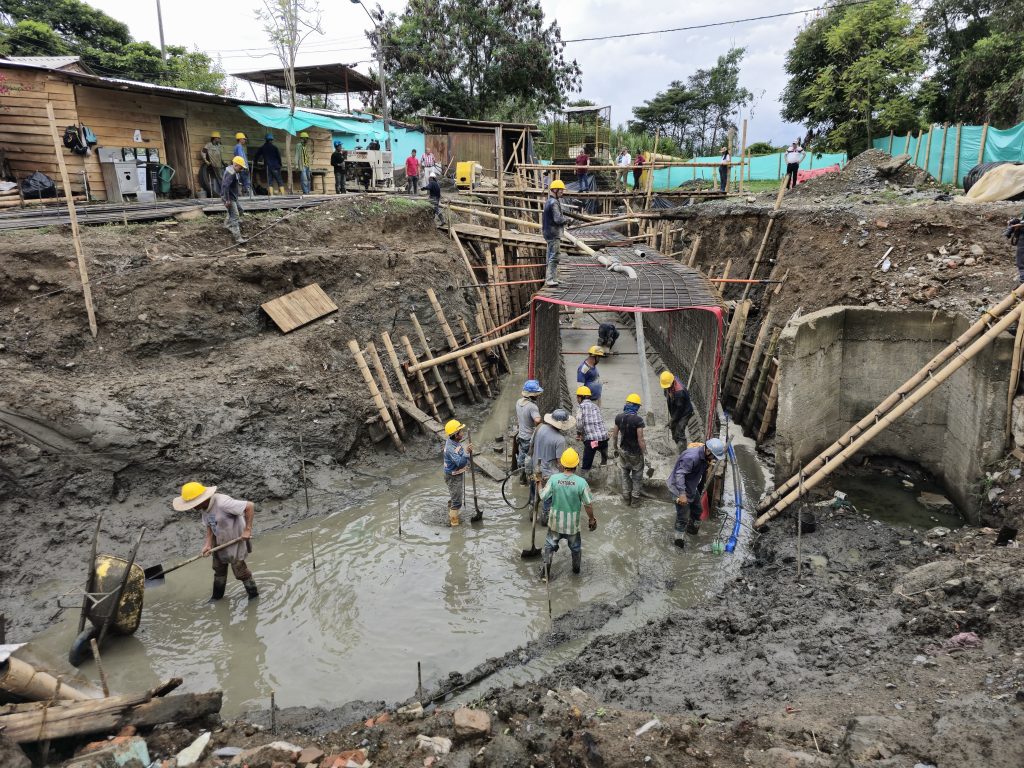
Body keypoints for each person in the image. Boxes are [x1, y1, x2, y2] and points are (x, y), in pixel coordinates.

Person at [172, 481, 257, 600]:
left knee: (240, 572)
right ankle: (217, 597)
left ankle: (253, 595)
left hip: (235, 539)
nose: (192, 507)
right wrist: (208, 544)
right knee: (218, 569)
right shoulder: (203, 507)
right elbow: (209, 524)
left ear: (202, 499)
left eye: (192, 503)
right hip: (219, 540)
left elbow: (249, 506)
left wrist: (247, 530)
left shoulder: (223, 503)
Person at [538, 447, 596, 581]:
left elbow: (543, 496)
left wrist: (538, 483)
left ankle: (544, 575)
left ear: (562, 464)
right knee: (575, 549)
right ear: (576, 464)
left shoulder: (554, 479)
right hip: (572, 526)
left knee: (549, 547)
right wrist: (592, 519)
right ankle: (576, 572)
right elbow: (588, 504)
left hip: (555, 524)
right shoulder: (581, 483)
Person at [667, 438, 726, 548]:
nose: (714, 459)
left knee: (698, 510)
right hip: (679, 489)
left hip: (691, 487)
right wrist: (682, 494)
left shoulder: (704, 456)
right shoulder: (692, 457)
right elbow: (680, 475)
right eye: (714, 456)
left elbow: (700, 473)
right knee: (682, 518)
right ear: (708, 451)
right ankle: (678, 543)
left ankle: (692, 532)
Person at [533, 408, 576, 524]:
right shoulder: (560, 440)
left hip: (536, 467)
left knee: (535, 494)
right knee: (548, 498)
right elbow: (560, 462)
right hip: (548, 473)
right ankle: (545, 519)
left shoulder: (540, 427)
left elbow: (532, 445)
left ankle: (532, 512)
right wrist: (565, 476)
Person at [610, 393, 646, 506]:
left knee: (625, 475)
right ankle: (635, 502)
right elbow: (641, 439)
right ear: (636, 406)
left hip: (623, 452)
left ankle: (626, 499)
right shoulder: (638, 420)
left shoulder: (619, 417)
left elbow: (615, 435)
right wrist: (646, 454)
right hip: (635, 454)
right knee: (637, 477)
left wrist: (615, 448)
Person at [443, 418, 474, 526]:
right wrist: (466, 452)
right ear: (456, 435)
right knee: (457, 502)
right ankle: (454, 524)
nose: (463, 433)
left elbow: (462, 457)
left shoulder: (455, 442)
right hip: (453, 476)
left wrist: (466, 455)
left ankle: (451, 510)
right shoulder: (450, 448)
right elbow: (460, 463)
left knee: (455, 496)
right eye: (461, 431)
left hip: (456, 474)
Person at [575, 385, 609, 478]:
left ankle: (584, 481)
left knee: (586, 463)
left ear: (580, 397)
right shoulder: (595, 406)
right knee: (604, 460)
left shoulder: (581, 407)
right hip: (604, 439)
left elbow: (579, 423)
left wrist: (579, 434)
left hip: (592, 441)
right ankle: (604, 475)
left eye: (577, 397)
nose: (577, 399)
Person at [515, 379, 544, 484]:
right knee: (530, 458)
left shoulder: (518, 402)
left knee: (522, 457)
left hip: (521, 435)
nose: (538, 395)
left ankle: (522, 479)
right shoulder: (532, 406)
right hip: (529, 437)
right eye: (536, 394)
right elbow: (537, 420)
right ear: (532, 395)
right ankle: (531, 480)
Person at [660, 370, 694, 450]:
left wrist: (672, 420)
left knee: (679, 429)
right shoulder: (670, 380)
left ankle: (683, 451)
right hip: (676, 407)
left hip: (685, 412)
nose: (666, 388)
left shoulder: (679, 392)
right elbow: (666, 393)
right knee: (673, 427)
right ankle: (678, 444)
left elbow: (679, 410)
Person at [542, 179, 566, 286]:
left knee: (551, 256)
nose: (562, 192)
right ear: (555, 190)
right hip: (553, 233)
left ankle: (553, 278)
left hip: (547, 232)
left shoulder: (548, 201)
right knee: (554, 256)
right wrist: (568, 220)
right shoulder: (554, 203)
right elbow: (558, 219)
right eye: (561, 190)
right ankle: (550, 279)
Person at [221, 156, 247, 244]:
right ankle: (238, 238)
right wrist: (227, 200)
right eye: (241, 167)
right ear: (236, 165)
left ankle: (227, 225)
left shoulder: (234, 171)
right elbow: (225, 186)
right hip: (229, 198)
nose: (242, 169)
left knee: (240, 210)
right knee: (235, 216)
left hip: (233, 197)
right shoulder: (231, 173)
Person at [201, 131, 225, 196]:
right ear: (214, 138)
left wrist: (223, 162)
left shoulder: (219, 146)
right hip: (214, 165)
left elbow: (220, 155)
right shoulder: (208, 145)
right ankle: (224, 193)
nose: (219, 139)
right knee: (221, 178)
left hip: (220, 165)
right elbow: (203, 153)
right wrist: (206, 161)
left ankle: (224, 192)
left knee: (222, 178)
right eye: (218, 138)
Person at [233, 132, 251, 196]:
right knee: (246, 183)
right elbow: (241, 157)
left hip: (239, 167)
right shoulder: (239, 147)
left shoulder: (236, 147)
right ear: (240, 139)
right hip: (243, 167)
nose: (245, 140)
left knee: (242, 182)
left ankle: (244, 195)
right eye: (244, 139)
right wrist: (244, 166)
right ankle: (248, 196)